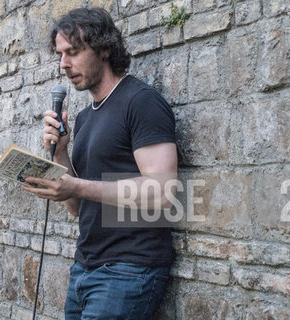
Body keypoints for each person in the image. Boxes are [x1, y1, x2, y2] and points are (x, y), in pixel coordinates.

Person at [23, 7, 177, 320]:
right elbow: (79, 207)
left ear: (105, 48)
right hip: (84, 268)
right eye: (60, 54)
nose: (64, 64)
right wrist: (60, 153)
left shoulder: (141, 101)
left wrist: (75, 184)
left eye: (74, 52)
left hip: (129, 269)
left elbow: (162, 193)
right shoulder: (85, 117)